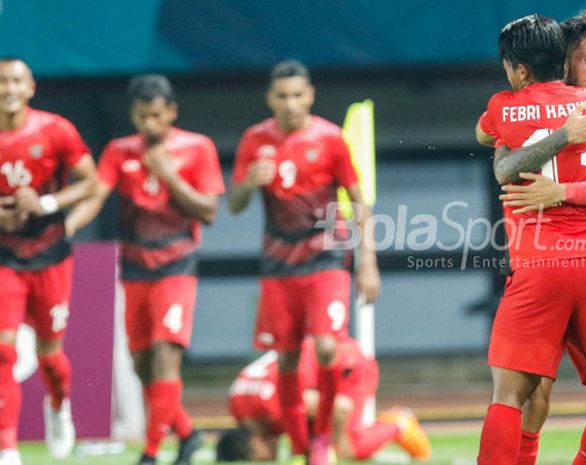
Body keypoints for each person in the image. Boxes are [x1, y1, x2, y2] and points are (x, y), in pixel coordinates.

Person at [475, 14, 586, 465]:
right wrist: (565, 131)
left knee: (513, 394)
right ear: (562, 58)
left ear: (520, 68)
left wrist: (559, 191)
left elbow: (490, 143)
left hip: (543, 265)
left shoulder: (507, 105)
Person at [65, 74, 225, 465]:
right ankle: (187, 434)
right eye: (141, 117)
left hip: (177, 265)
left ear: (171, 111)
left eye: (156, 116)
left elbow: (208, 211)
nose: (149, 125)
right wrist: (67, 226)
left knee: (165, 356)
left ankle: (151, 453)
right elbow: (97, 195)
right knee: (142, 365)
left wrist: (169, 175)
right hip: (135, 268)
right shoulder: (120, 151)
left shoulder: (196, 148)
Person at [228, 59, 381, 465]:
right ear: (270, 99)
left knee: (328, 348)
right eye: (282, 96)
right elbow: (234, 203)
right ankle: (299, 445)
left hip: (326, 256)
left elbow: (358, 200)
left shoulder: (330, 139)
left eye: (298, 95)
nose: (291, 103)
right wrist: (247, 183)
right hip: (279, 263)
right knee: (288, 356)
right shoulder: (254, 140)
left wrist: (368, 262)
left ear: (310, 95)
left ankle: (319, 441)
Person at [0, 57, 98, 465]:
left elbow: (90, 182)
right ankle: (7, 447)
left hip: (51, 256)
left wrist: (45, 203)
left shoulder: (55, 130)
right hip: (4, 258)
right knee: (3, 351)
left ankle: (59, 406)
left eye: (16, 81)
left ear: (31, 87)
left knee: (50, 359)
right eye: (1, 81)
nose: (8, 88)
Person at [218, 336, 431, 462]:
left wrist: (332, 442)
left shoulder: (272, 404)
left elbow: (336, 407)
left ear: (255, 443)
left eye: (260, 461)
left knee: (345, 448)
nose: (270, 459)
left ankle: (398, 422)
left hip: (348, 367)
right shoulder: (238, 403)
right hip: (323, 363)